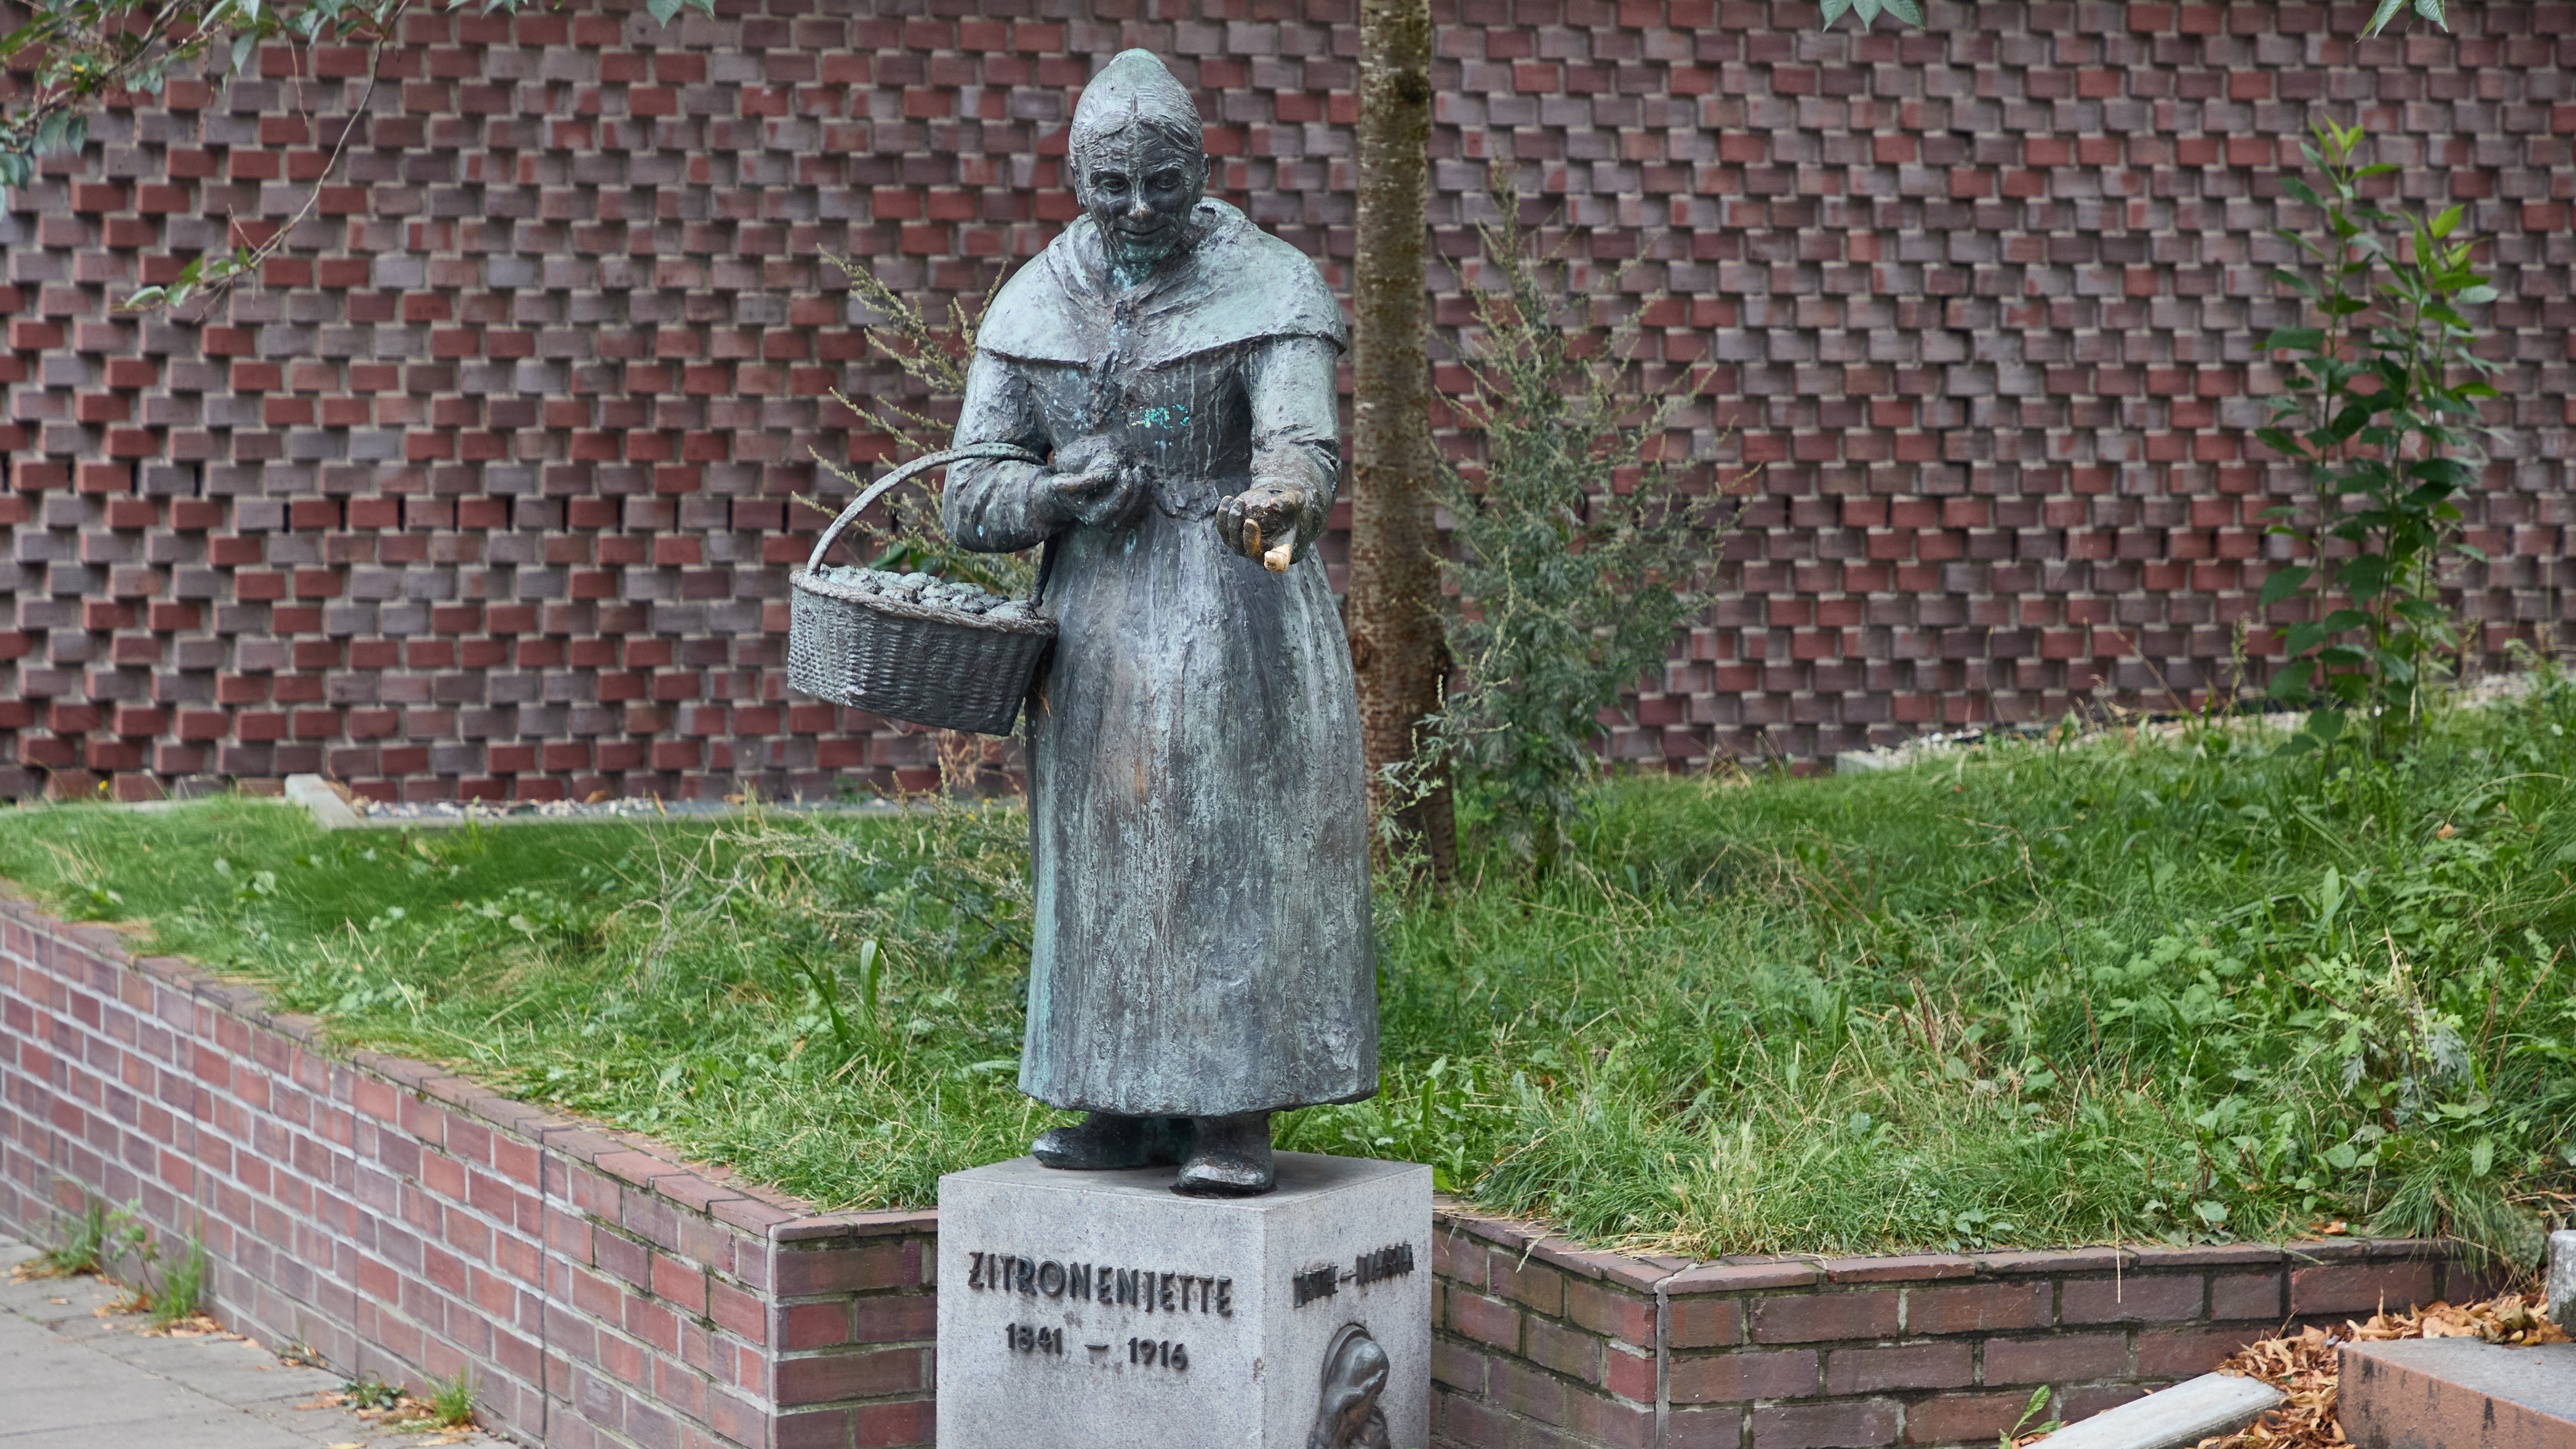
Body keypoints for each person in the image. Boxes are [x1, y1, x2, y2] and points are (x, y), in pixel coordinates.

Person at [940, 49, 1374, 1197]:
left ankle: (1233, 1113)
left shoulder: (1271, 288)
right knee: (1101, 860)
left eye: (1162, 184)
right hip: (1092, 627)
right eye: (1113, 185)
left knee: (1227, 853)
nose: (1138, 207)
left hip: (1235, 612)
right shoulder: (1035, 300)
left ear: (1200, 170)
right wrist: (1045, 495)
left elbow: (1303, 452)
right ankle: (1120, 1102)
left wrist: (1279, 504)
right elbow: (968, 490)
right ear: (1078, 175)